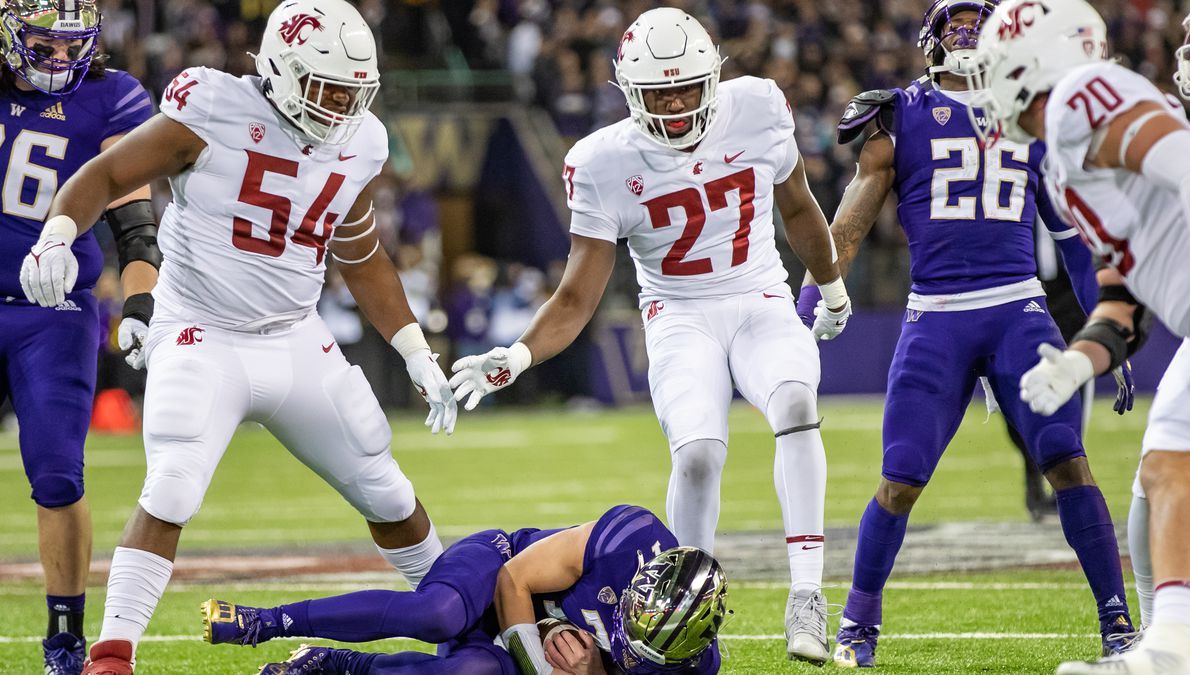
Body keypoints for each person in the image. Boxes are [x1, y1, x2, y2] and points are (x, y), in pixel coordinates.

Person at [18, 1, 459, 672]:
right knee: (173, 483)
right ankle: (110, 656)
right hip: (201, 327)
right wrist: (58, 232)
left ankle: (471, 619)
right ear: (281, 71)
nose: (341, 103)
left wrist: (413, 347)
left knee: (388, 489)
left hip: (292, 334)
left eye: (353, 88)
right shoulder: (213, 107)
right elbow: (107, 175)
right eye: (327, 85)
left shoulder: (361, 140)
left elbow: (362, 253)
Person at [447, 6, 850, 664]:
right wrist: (517, 356)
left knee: (797, 407)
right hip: (679, 313)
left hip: (758, 295)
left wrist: (831, 285)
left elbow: (800, 206)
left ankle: (807, 595)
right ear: (629, 92)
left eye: (685, 86)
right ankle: (689, 619)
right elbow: (579, 294)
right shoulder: (604, 161)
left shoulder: (757, 108)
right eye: (657, 90)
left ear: (713, 79)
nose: (672, 102)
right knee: (696, 454)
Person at [802, 0, 1136, 667]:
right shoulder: (897, 115)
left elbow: (1075, 238)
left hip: (1018, 308)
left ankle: (1117, 622)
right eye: (951, 30)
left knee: (1067, 458)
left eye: (970, 30)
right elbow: (848, 225)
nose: (961, 41)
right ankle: (857, 624)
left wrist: (1110, 326)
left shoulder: (1028, 113)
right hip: (937, 316)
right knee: (900, 476)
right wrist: (809, 299)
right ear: (930, 43)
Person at [965, 0, 1190, 672]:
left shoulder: (1075, 99)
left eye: (994, 65)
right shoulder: (1058, 168)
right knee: (1159, 475)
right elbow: (1123, 300)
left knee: (1171, 463)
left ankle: (1168, 651)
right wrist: (1075, 364)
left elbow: (1187, 163)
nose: (986, 86)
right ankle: (1165, 645)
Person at [0, 0, 156, 671]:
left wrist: (141, 304)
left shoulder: (113, 98)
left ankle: (64, 640)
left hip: (52, 310)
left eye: (74, 48)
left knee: (58, 471)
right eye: (45, 47)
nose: (61, 62)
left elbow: (134, 223)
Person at [201, 505, 725, 675]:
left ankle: (332, 664)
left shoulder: (698, 662)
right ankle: (263, 622)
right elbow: (514, 579)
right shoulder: (625, 537)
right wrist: (542, 659)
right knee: (438, 614)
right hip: (497, 572)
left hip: (527, 646)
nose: (629, 653)